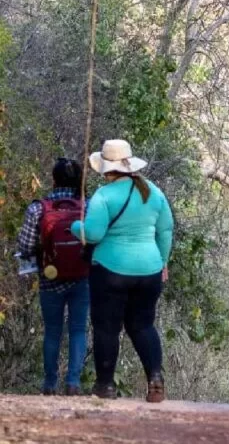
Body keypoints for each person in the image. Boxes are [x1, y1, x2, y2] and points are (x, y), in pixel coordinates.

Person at [72, 140, 174, 402]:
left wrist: (74, 226)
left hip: (110, 270)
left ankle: (105, 385)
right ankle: (155, 377)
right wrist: (162, 261)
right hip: (149, 269)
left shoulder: (104, 196)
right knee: (142, 326)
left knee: (106, 327)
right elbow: (165, 230)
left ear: (106, 169)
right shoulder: (154, 192)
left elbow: (93, 233)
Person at [17, 159, 89, 396]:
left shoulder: (38, 208)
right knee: (78, 329)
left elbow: (26, 245)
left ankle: (49, 384)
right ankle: (73, 383)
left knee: (52, 331)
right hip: (81, 277)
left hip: (50, 277)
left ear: (54, 179)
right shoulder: (86, 207)